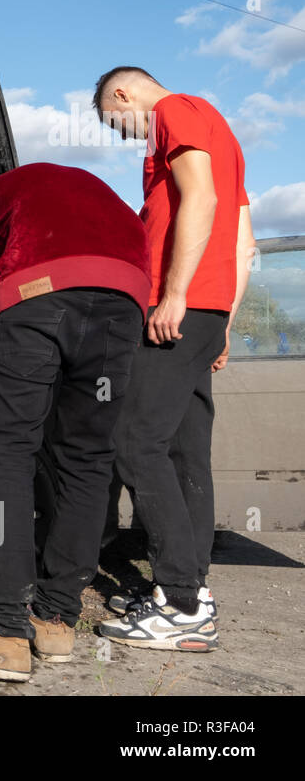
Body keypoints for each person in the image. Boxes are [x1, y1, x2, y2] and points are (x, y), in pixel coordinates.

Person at [0, 162, 150, 682]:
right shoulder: (109, 200)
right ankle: (56, 619)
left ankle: (2, 631)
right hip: (124, 310)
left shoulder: (4, 190)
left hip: (38, 301)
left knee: (9, 453)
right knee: (87, 460)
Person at [92, 67, 254, 653]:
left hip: (178, 309)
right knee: (186, 451)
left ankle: (182, 604)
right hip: (205, 315)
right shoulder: (219, 128)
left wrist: (176, 293)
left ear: (122, 95)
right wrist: (223, 321)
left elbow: (203, 199)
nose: (126, 136)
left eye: (118, 124)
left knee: (135, 442)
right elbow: (243, 238)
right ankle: (190, 591)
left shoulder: (175, 111)